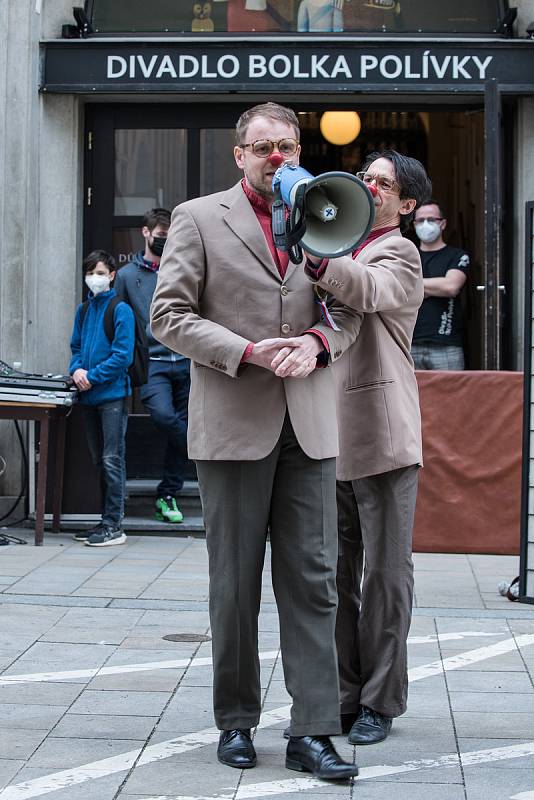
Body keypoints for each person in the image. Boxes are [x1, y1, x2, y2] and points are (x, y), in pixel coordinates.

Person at [150, 102, 361, 781]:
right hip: (234, 425)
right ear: (238, 154)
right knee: (234, 584)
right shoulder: (198, 217)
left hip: (308, 423)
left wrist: (315, 343)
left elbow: (349, 314)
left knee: (315, 582)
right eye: (264, 146)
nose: (277, 157)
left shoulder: (327, 209)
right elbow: (169, 316)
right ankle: (236, 721)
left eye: (288, 146)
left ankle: (314, 731)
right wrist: (248, 351)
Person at [303, 150, 432, 745]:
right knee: (333, 571)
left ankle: (382, 699)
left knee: (384, 574)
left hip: (381, 434)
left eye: (382, 183)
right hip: (326, 433)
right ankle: (344, 694)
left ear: (406, 205)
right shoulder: (339, 244)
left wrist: (313, 255)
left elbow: (369, 290)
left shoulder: (398, 253)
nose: (369, 187)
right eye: (365, 179)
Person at [114, 208, 190, 525]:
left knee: (180, 425)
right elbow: (116, 318)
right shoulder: (126, 276)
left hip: (186, 360)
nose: (166, 241)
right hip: (152, 364)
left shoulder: (180, 269)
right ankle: (196, 447)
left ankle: (167, 494)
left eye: (170, 236)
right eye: (161, 236)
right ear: (146, 233)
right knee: (164, 417)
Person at [69, 250, 135, 546]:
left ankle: (114, 525)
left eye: (99, 272)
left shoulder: (121, 309)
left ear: (111, 275)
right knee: (100, 459)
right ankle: (104, 521)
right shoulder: (83, 310)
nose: (94, 278)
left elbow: (123, 356)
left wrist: (91, 376)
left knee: (112, 459)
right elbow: (76, 347)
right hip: (88, 397)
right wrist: (76, 371)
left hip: (111, 396)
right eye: (89, 272)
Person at [411, 200, 469, 370]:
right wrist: (434, 287)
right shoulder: (406, 256)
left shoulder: (457, 255)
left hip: (446, 345)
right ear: (414, 225)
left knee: (452, 397)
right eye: (420, 220)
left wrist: (414, 286)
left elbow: (451, 286)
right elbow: (396, 288)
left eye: (432, 219)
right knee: (410, 397)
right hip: (408, 344)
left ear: (442, 224)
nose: (425, 224)